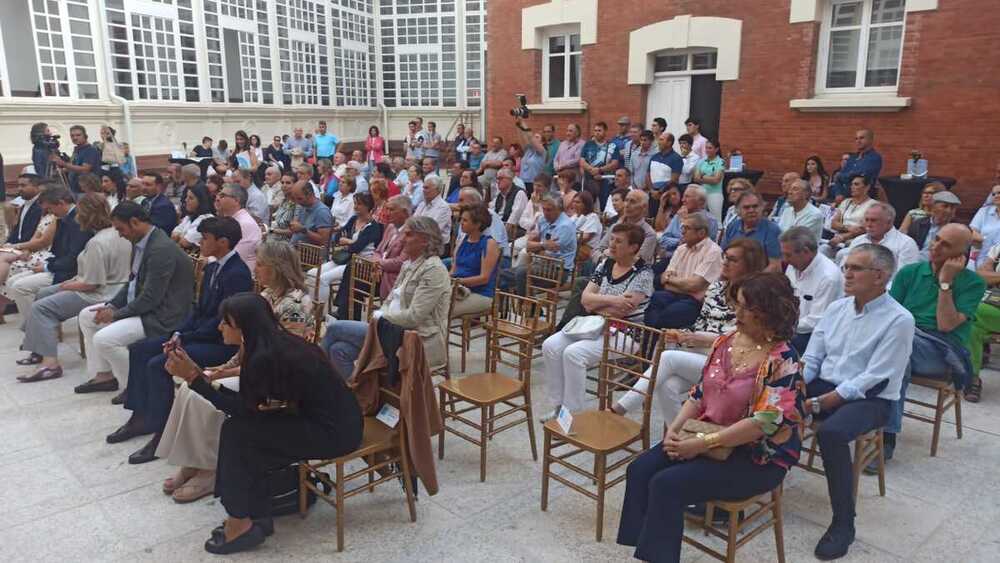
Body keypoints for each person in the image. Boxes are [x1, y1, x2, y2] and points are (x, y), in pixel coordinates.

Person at [617, 273, 806, 563]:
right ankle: (646, 547)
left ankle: (656, 554)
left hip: (755, 456)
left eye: (745, 308)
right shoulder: (727, 341)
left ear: (767, 312)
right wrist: (675, 429)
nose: (736, 312)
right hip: (707, 434)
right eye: (737, 304)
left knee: (667, 484)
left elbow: (763, 423)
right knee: (641, 469)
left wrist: (702, 443)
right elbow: (699, 393)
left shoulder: (783, 360)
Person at [162, 293, 362, 554]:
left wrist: (194, 378)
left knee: (239, 435)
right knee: (238, 432)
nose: (219, 326)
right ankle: (251, 514)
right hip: (330, 418)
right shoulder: (271, 345)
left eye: (226, 322)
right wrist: (196, 375)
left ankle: (240, 520)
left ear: (243, 327)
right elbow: (248, 405)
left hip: (335, 432)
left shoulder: (265, 356)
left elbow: (244, 410)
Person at [157, 240, 314, 503]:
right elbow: (245, 347)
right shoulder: (265, 296)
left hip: (274, 378)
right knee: (186, 387)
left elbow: (278, 359)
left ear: (277, 268)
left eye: (262, 264)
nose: (257, 269)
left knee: (199, 394)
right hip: (254, 367)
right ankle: (193, 461)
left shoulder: (295, 305)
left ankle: (210, 469)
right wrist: (222, 368)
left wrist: (217, 376)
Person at [802, 244, 914, 560]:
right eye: (846, 267)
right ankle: (743, 489)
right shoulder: (838, 308)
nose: (846, 273)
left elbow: (875, 377)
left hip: (872, 398)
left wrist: (821, 403)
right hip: (829, 383)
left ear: (879, 276)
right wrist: (792, 384)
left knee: (832, 433)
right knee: (769, 403)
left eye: (855, 268)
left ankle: (843, 524)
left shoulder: (899, 319)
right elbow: (813, 358)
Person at [113, 217, 253, 464]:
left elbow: (224, 320)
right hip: (199, 334)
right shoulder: (211, 267)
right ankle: (140, 414)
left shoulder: (237, 273)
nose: (201, 241)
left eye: (206, 238)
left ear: (222, 242)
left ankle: (161, 430)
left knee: (159, 364)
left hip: (220, 343)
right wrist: (179, 333)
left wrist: (185, 337)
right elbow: (198, 310)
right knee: (140, 350)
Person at [613, 238, 770, 419]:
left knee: (667, 357)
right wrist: (684, 335)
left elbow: (745, 337)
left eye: (733, 260)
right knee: (667, 384)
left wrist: (702, 339)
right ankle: (676, 438)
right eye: (724, 257)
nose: (725, 263)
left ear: (749, 265)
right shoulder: (717, 288)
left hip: (730, 360)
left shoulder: (753, 297)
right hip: (702, 352)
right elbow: (702, 321)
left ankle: (620, 409)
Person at [880, 224, 985, 466]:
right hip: (903, 343)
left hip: (942, 351)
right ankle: (881, 430)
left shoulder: (973, 283)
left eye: (946, 245)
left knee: (893, 350)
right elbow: (889, 316)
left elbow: (946, 325)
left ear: (962, 254)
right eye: (936, 239)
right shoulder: (910, 273)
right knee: (896, 355)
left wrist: (945, 282)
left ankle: (885, 435)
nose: (935, 246)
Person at [76, 202, 194, 395]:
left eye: (121, 229)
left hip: (163, 315)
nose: (120, 234)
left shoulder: (160, 249)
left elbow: (151, 298)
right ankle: (104, 376)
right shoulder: (140, 242)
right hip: (143, 306)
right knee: (86, 316)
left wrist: (115, 314)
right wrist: (112, 305)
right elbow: (131, 282)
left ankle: (136, 389)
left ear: (135, 222)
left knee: (105, 339)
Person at [541, 223, 654, 417]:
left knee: (573, 354)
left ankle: (570, 414)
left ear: (633, 247)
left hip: (627, 332)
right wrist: (613, 300)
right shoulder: (606, 264)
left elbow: (622, 311)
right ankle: (558, 405)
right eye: (611, 238)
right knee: (551, 345)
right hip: (596, 324)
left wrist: (598, 302)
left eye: (619, 241)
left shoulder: (643, 273)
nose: (612, 244)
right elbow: (585, 300)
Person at [16, 194, 131, 382]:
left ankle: (49, 364)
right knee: (44, 292)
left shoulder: (97, 242)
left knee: (41, 308)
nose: (76, 217)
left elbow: (92, 284)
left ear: (86, 215)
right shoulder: (117, 233)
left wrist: (68, 285)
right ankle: (39, 347)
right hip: (113, 285)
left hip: (99, 293)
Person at [321, 216, 452, 379]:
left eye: (409, 235)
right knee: (338, 350)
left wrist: (379, 318)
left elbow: (414, 317)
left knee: (335, 328)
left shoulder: (434, 270)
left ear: (425, 240)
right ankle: (354, 398)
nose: (402, 239)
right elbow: (390, 300)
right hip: (389, 329)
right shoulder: (409, 264)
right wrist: (380, 318)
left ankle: (318, 383)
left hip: (414, 337)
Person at [6, 187, 92, 325]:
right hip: (59, 264)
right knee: (12, 282)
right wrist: (45, 264)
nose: (50, 213)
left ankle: (37, 326)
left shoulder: (77, 220)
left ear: (61, 203)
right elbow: (57, 250)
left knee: (20, 287)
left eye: (50, 209)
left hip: (70, 271)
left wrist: (47, 267)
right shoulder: (62, 218)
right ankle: (36, 324)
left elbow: (73, 258)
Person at [645, 213, 723, 330]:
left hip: (695, 302)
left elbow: (694, 285)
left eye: (686, 228)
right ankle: (651, 340)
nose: (682, 232)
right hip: (672, 294)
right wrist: (681, 284)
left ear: (701, 232)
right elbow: (665, 282)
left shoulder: (713, 251)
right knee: (655, 299)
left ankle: (654, 340)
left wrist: (671, 280)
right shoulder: (681, 249)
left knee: (669, 314)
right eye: (682, 227)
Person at [497, 193, 577, 296]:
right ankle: (526, 308)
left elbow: (549, 253)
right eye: (544, 209)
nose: (545, 213)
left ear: (559, 210)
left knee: (521, 273)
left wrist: (539, 247)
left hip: (558, 271)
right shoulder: (542, 220)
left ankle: (527, 307)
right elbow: (529, 246)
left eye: (549, 210)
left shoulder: (565, 226)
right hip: (540, 265)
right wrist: (543, 245)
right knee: (501, 274)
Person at [310, 192, 383, 304]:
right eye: (354, 203)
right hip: (344, 257)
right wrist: (351, 242)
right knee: (312, 273)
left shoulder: (373, 227)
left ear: (368, 206)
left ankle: (319, 312)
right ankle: (312, 305)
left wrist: (347, 241)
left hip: (359, 264)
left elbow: (356, 248)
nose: (355, 206)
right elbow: (338, 237)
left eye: (359, 204)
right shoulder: (354, 219)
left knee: (323, 279)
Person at [781, 227, 843, 355]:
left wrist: (781, 326)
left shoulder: (828, 277)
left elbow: (817, 321)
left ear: (805, 252)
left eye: (788, 255)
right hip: (790, 324)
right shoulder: (794, 265)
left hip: (811, 335)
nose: (784, 260)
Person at [450, 203, 501, 318]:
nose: (461, 223)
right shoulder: (463, 240)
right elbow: (454, 269)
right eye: (461, 219)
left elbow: (484, 278)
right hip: (459, 288)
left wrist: (458, 281)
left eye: (465, 220)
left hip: (481, 293)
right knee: (431, 301)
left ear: (477, 224)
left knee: (443, 309)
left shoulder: (489, 243)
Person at [842, 203, 919, 276]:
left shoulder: (906, 244)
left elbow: (904, 278)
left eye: (873, 220)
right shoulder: (858, 241)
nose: (868, 225)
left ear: (889, 222)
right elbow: (843, 268)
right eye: (866, 220)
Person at [968, 239, 1000, 402]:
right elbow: (981, 274)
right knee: (972, 325)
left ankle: (969, 376)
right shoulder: (998, 248)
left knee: (971, 312)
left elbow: (989, 276)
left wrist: (994, 277)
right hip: (994, 305)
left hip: (991, 307)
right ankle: (972, 377)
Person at [722, 191, 783, 272]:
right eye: (746, 207)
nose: (751, 210)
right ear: (738, 211)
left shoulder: (772, 230)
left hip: (759, 279)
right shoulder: (732, 226)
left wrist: (751, 281)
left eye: (755, 206)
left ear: (762, 208)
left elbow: (775, 266)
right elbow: (723, 256)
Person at [659, 185, 719, 260]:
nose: (682, 200)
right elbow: (663, 240)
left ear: (701, 201)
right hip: (672, 258)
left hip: (695, 260)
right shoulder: (678, 216)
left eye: (687, 197)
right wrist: (679, 241)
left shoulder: (710, 220)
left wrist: (684, 221)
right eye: (683, 196)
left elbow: (700, 246)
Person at [823, 175, 877, 256]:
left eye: (856, 184)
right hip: (838, 238)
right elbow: (833, 223)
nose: (852, 187)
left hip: (858, 242)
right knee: (822, 249)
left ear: (867, 187)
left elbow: (862, 229)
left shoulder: (873, 205)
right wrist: (848, 227)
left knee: (841, 254)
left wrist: (842, 237)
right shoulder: (846, 202)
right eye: (851, 184)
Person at [214, 185, 261, 270]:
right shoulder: (229, 220)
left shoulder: (245, 224)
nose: (217, 199)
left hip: (238, 276)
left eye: (222, 196)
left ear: (236, 200)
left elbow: (233, 258)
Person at [830, 129, 883, 201]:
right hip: (845, 198)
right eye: (856, 138)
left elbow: (861, 176)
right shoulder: (852, 157)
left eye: (861, 138)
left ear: (870, 140)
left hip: (863, 200)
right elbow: (838, 178)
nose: (858, 141)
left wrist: (842, 176)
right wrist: (839, 193)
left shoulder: (874, 158)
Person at [906, 190, 960, 260]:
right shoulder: (919, 224)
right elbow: (909, 246)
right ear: (933, 207)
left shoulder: (958, 230)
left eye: (952, 208)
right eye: (945, 206)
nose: (948, 211)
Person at [51, 125, 102, 196]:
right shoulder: (77, 150)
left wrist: (64, 164)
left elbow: (85, 169)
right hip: (75, 190)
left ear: (85, 136)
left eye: (78, 135)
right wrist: (62, 170)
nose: (75, 138)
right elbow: (74, 166)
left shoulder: (90, 150)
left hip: (86, 192)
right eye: (72, 136)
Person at [580, 122, 620, 210]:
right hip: (589, 179)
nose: (597, 132)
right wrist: (591, 169)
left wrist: (599, 170)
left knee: (604, 205)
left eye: (599, 130)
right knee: (588, 204)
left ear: (605, 131)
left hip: (605, 180)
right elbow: (582, 161)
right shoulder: (588, 144)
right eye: (595, 130)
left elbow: (615, 163)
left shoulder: (612, 146)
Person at [171, 185, 215, 251]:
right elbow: (173, 235)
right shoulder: (189, 216)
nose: (186, 200)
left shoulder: (207, 219)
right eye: (186, 197)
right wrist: (182, 236)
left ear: (201, 201)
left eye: (191, 198)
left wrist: (179, 237)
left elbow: (185, 243)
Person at [692, 138, 725, 221]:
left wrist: (702, 176)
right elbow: (696, 178)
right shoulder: (701, 161)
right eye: (706, 148)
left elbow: (716, 180)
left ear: (716, 149)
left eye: (710, 148)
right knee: (701, 218)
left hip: (715, 193)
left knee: (716, 219)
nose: (707, 150)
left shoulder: (721, 162)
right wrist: (710, 177)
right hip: (702, 193)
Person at [414, 176, 452, 246]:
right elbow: (413, 223)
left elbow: (432, 230)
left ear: (437, 190)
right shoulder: (422, 204)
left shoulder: (444, 207)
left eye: (426, 188)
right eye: (423, 187)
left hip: (437, 246)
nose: (423, 190)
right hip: (421, 242)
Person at [513, 117, 546, 195]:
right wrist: (518, 125)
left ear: (543, 142)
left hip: (533, 183)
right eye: (535, 136)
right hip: (522, 181)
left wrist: (523, 122)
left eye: (537, 137)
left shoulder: (542, 151)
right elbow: (522, 138)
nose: (534, 138)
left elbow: (530, 137)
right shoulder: (528, 150)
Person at [494, 168, 530, 238]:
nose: (498, 181)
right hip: (499, 227)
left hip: (514, 231)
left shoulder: (519, 193)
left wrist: (500, 234)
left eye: (500, 178)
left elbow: (513, 219)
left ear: (509, 179)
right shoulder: (499, 195)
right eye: (497, 179)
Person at [649, 132, 683, 202]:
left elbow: (674, 179)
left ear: (669, 143)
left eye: (661, 140)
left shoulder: (676, 158)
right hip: (652, 194)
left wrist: (659, 192)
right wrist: (651, 190)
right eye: (659, 140)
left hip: (667, 195)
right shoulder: (654, 157)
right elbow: (647, 175)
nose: (659, 142)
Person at [971, 187, 1000, 263]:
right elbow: (971, 232)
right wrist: (988, 241)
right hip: (981, 251)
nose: (996, 196)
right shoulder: (984, 211)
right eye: (993, 194)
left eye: (999, 193)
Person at [571, 191, 602, 257]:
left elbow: (584, 238)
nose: (574, 204)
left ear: (586, 204)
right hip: (573, 246)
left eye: (578, 202)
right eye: (573, 201)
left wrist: (566, 238)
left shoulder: (593, 217)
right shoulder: (574, 217)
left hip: (586, 249)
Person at [628, 130, 655, 197]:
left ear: (651, 141)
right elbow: (631, 172)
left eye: (645, 140)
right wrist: (634, 186)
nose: (642, 142)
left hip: (650, 190)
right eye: (641, 140)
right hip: (635, 189)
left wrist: (648, 187)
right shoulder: (634, 154)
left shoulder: (655, 155)